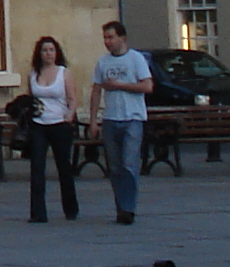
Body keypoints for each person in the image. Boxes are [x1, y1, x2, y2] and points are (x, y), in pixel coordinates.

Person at [90, 21, 152, 224]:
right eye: (105, 38)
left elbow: (147, 86)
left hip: (132, 118)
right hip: (111, 118)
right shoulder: (103, 62)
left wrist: (121, 85)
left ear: (122, 38)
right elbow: (97, 90)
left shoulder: (136, 59)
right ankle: (120, 206)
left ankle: (128, 207)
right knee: (114, 167)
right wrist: (93, 121)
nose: (108, 42)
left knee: (129, 163)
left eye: (111, 37)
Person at [22, 35, 80, 222]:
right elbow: (30, 99)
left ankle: (70, 208)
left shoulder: (64, 73)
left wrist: (70, 114)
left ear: (57, 53)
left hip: (59, 123)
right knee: (37, 167)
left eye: (52, 50)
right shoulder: (33, 75)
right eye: (45, 50)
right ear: (39, 54)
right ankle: (38, 212)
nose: (48, 54)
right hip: (39, 124)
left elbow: (72, 98)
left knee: (64, 167)